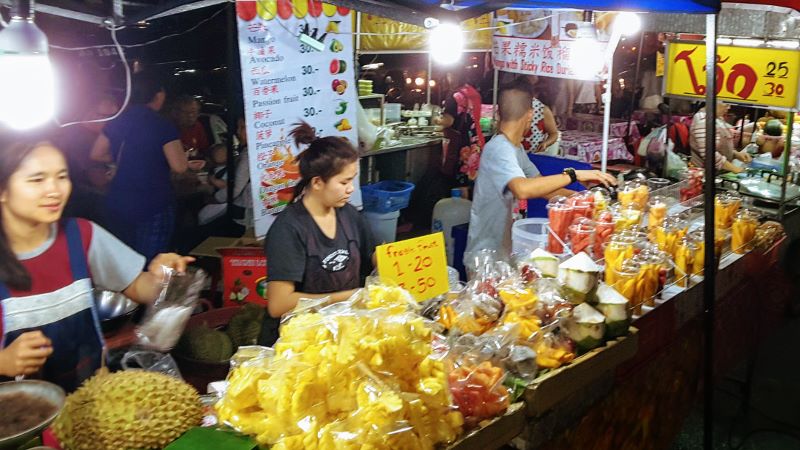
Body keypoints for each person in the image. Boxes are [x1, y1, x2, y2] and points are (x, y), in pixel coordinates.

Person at [0, 140, 193, 392]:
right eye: (37, 180)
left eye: (61, 176)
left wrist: (164, 277)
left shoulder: (81, 235)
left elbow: (138, 287)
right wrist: (3, 362)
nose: (54, 190)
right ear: (3, 190)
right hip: (18, 419)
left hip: (89, 401)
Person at [259, 122, 377, 346]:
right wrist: (349, 297)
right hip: (297, 341)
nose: (351, 188)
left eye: (352, 180)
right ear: (317, 183)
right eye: (344, 182)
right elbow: (279, 304)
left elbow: (373, 254)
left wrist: (401, 268)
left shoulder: (349, 214)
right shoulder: (289, 228)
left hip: (341, 332)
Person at [465, 82, 617, 256]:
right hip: (486, 253)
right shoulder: (499, 148)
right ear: (530, 115)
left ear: (499, 113)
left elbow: (542, 188)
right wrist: (574, 175)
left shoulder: (516, 148)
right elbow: (523, 189)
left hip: (503, 248)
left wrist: (586, 200)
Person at [91, 72, 188, 262]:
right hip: (153, 205)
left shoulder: (118, 121)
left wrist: (126, 160)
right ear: (159, 95)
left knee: (124, 262)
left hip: (118, 203)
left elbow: (96, 153)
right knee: (150, 264)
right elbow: (179, 166)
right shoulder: (162, 125)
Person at [52, 94, 119, 221]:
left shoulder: (86, 134)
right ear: (92, 116)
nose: (113, 123)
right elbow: (98, 180)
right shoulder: (82, 140)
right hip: (87, 204)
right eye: (108, 117)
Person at [689, 102, 752, 173]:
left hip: (718, 173)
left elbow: (721, 147)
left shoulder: (718, 118)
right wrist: (735, 169)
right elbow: (709, 154)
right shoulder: (703, 120)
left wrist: (736, 154)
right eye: (726, 103)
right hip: (705, 175)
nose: (729, 107)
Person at [519, 76, 559, 154]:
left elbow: (554, 133)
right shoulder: (511, 105)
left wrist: (545, 143)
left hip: (533, 154)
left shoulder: (542, 109)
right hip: (513, 154)